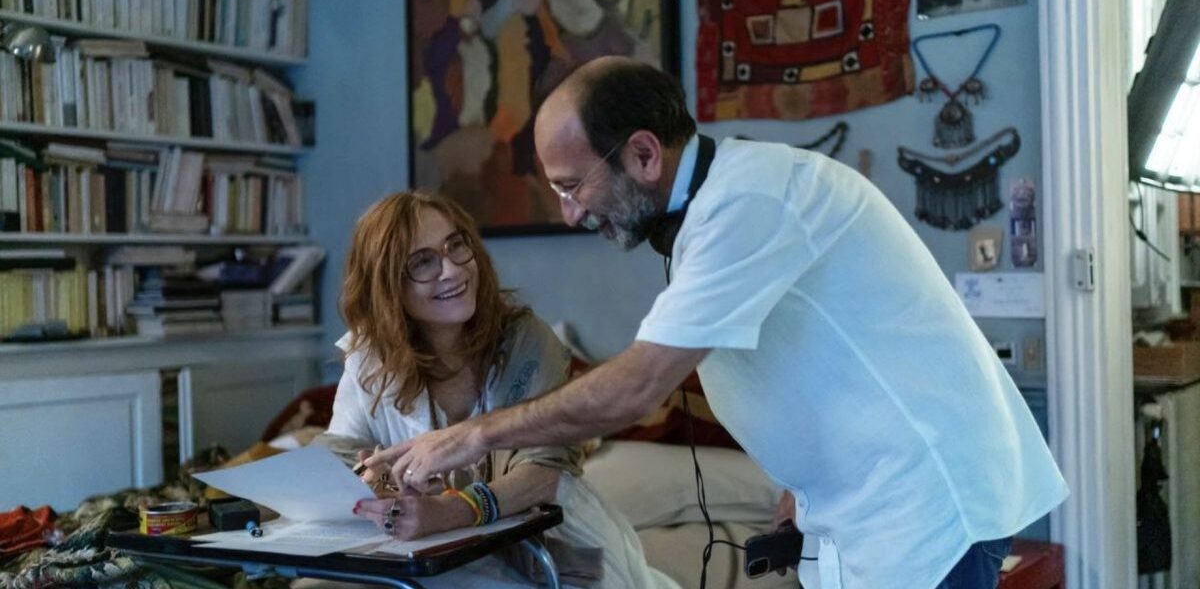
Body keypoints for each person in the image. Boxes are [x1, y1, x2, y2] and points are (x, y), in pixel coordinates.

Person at [367, 57, 1069, 589]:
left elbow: (637, 388)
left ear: (645, 154)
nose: (570, 213)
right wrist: (797, 481)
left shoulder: (749, 202)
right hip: (856, 507)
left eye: (573, 186)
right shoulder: (715, 210)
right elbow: (810, 348)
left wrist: (474, 434)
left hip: (926, 508)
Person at [315, 191, 677, 589]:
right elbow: (342, 455)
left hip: (551, 548)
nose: (452, 270)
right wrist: (388, 492)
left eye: (455, 245)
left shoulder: (524, 341)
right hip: (433, 554)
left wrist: (448, 511)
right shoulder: (370, 357)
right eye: (422, 262)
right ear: (387, 286)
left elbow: (545, 471)